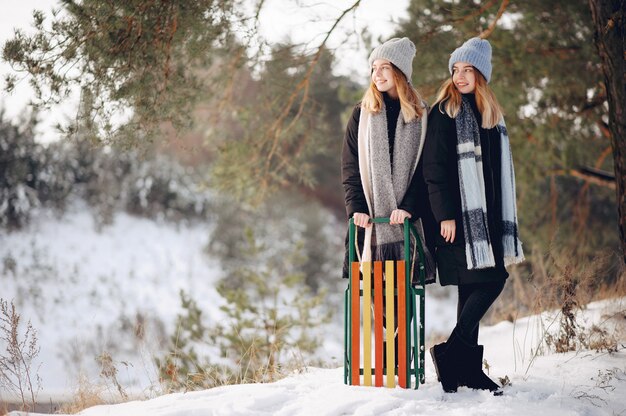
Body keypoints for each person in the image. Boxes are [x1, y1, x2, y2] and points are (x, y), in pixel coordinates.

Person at [422, 37, 524, 394]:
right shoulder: (443, 113)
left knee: (473, 289)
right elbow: (433, 168)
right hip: (458, 222)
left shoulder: (491, 117)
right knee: (493, 280)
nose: (460, 76)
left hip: (488, 222)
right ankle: (451, 356)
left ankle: (462, 368)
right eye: (456, 69)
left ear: (482, 74)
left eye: (468, 70)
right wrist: (445, 215)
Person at [341, 37, 434, 286]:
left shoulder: (422, 116)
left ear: (400, 71)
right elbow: (351, 169)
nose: (377, 74)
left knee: (405, 304)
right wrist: (357, 208)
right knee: (377, 301)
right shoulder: (362, 114)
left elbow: (427, 170)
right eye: (374, 68)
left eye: (384, 67)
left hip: (407, 224)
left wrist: (409, 208)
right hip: (370, 224)